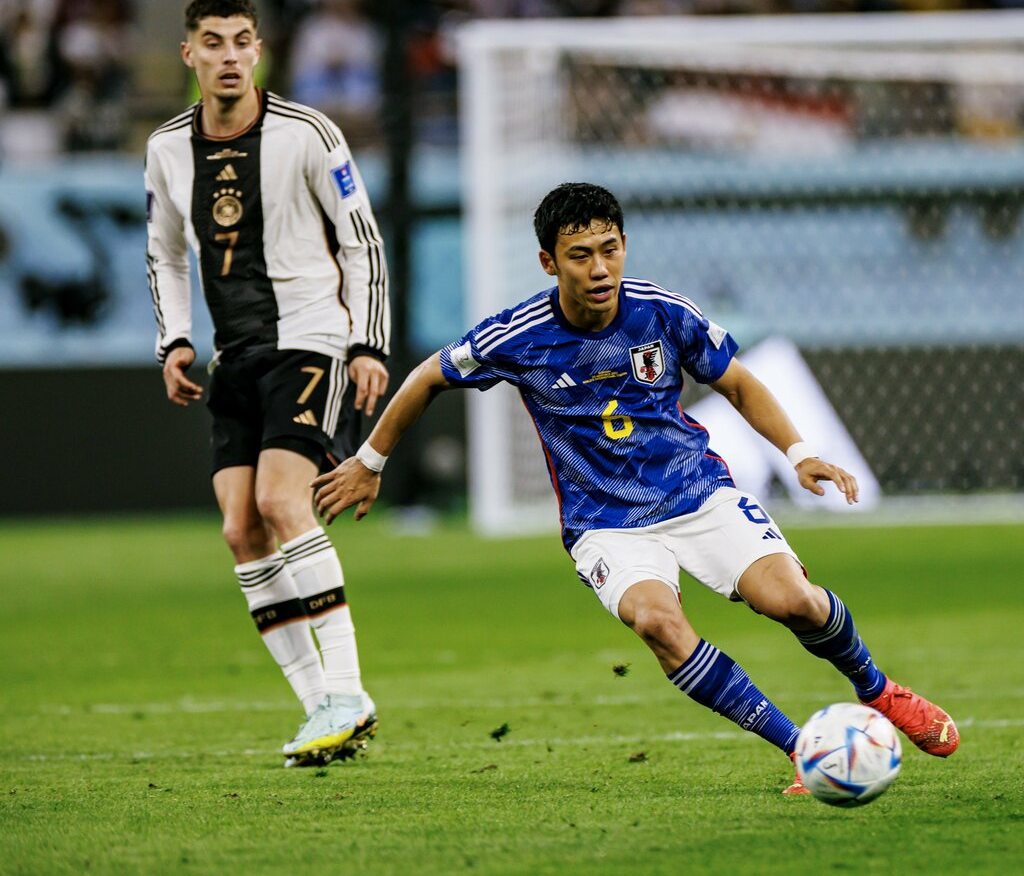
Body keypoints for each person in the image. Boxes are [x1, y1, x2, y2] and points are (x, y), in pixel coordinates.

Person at [311, 182, 959, 793]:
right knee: (658, 623)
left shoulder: (661, 312)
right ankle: (801, 751)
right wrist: (370, 460)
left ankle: (878, 691)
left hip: (696, 492)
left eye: (610, 250)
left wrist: (798, 452)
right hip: (605, 523)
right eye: (581, 255)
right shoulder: (519, 335)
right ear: (548, 261)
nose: (599, 268)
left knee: (795, 603)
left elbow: (736, 382)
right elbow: (428, 375)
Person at [145, 0, 391, 767]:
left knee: (282, 501)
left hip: (309, 339)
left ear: (260, 52)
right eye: (211, 43)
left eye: (241, 41)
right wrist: (174, 340)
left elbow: (363, 243)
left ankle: (350, 691)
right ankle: (320, 705)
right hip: (233, 355)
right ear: (189, 55)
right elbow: (165, 251)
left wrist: (368, 344)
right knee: (238, 528)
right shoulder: (165, 148)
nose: (227, 55)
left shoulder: (309, 132)